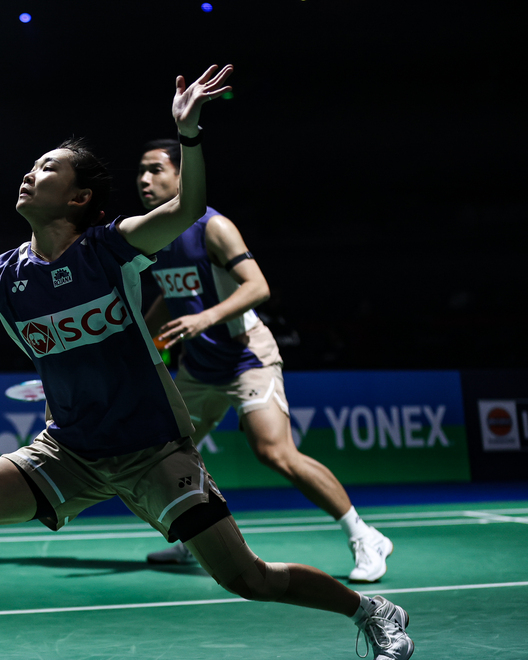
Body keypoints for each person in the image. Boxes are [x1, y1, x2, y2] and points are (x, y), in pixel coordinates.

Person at [0, 66, 413, 660]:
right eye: (31, 166)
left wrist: (188, 133)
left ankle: (372, 611)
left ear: (78, 198)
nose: (29, 174)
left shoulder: (110, 250)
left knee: (247, 576)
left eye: (47, 168)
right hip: (67, 453)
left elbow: (186, 210)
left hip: (152, 451)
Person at [136, 140, 394, 582]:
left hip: (246, 357)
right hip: (198, 367)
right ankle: (196, 538)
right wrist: (140, 338)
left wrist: (206, 317)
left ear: (181, 175)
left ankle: (365, 536)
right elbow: (169, 290)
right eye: (140, 171)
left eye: (155, 170)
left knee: (275, 452)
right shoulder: (154, 234)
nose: (144, 179)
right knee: (169, 454)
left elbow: (257, 286)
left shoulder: (213, 226)